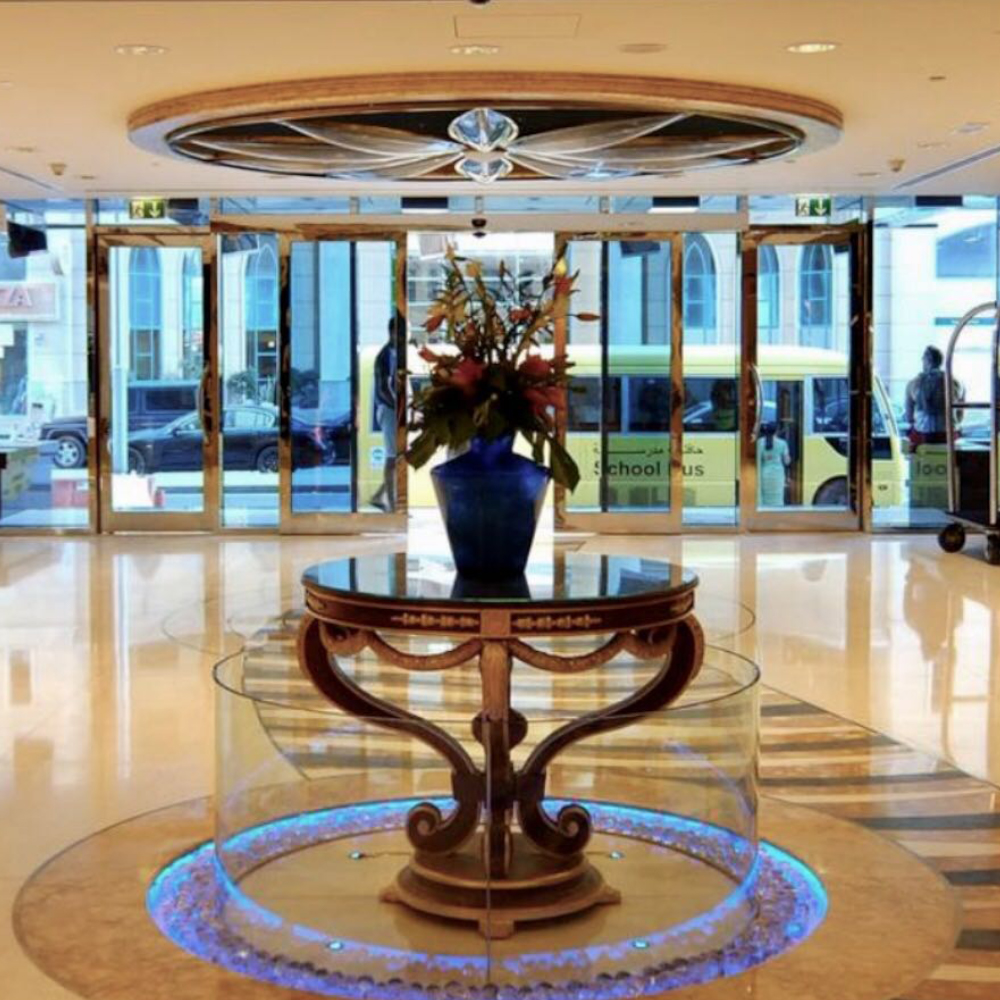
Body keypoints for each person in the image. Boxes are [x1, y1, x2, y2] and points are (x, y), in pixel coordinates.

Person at [370, 315, 401, 512]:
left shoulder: (396, 353)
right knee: (392, 457)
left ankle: (379, 496)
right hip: (389, 410)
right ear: (392, 332)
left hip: (393, 410)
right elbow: (383, 389)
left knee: (397, 456)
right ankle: (392, 505)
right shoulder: (384, 356)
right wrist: (398, 407)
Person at [905, 345, 963, 446]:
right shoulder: (956, 383)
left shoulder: (913, 383)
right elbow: (959, 417)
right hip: (948, 435)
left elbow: (909, 417)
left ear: (927, 360)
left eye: (923, 359)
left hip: (923, 435)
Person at [756, 422, 790, 507]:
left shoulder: (759, 442)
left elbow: (758, 460)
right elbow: (787, 461)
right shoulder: (782, 443)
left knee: (765, 497)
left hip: (765, 474)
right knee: (777, 498)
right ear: (776, 431)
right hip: (778, 475)